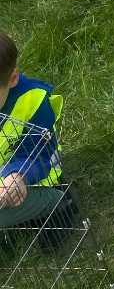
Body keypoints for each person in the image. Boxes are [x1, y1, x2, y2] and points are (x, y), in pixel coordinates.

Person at [0, 32, 64, 230]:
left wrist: (18, 175)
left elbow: (39, 154)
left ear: (13, 78)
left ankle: (57, 203)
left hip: (29, 181)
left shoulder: (34, 101)